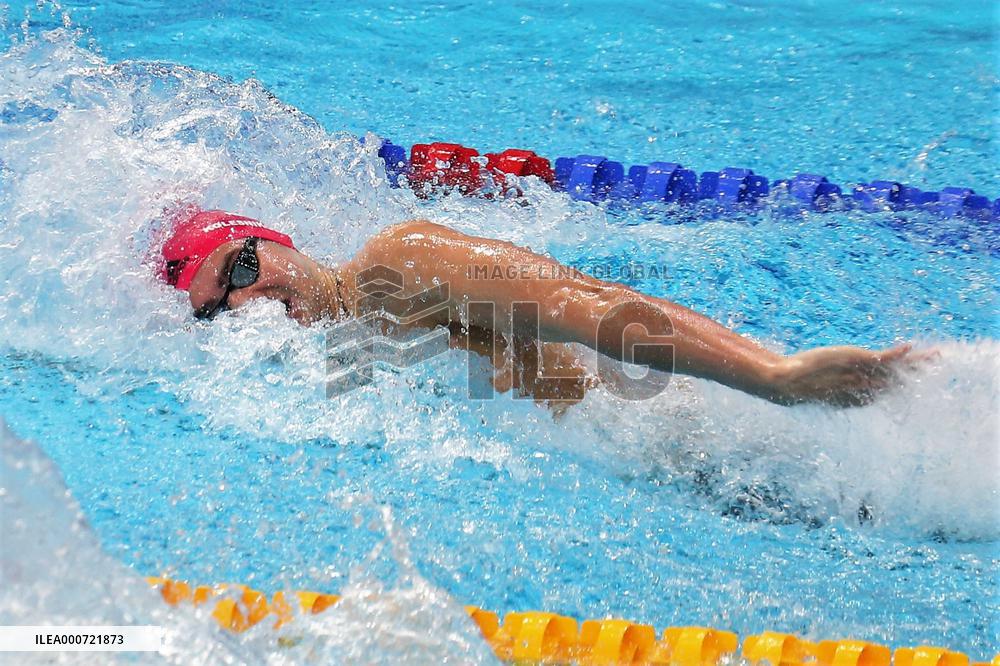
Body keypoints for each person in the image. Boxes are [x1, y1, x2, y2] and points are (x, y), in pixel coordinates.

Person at [159, 208, 913, 408]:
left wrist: (772, 377)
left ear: (274, 240)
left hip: (711, 422)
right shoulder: (351, 345)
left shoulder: (399, 263)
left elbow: (589, 304)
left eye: (245, 265)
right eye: (222, 311)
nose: (253, 297)